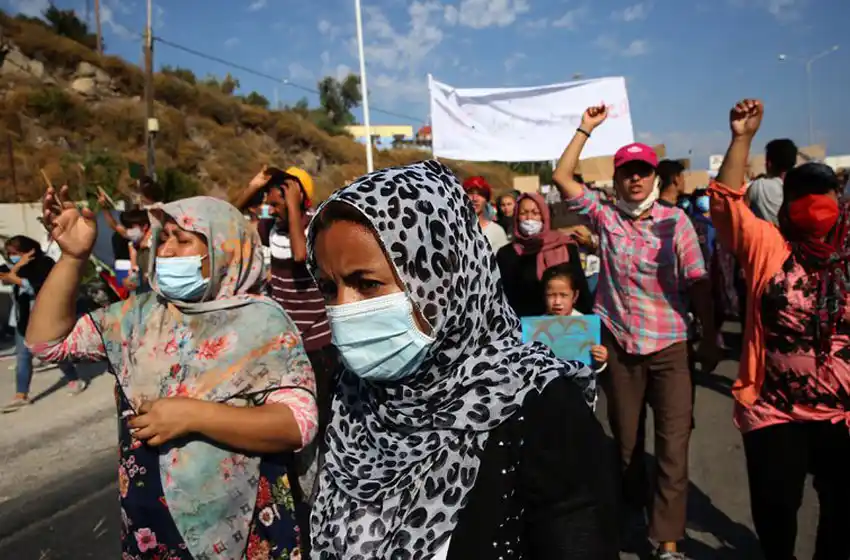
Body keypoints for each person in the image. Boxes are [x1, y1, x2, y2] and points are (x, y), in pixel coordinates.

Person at [308, 161, 618, 559]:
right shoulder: (350, 394)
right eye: (328, 288)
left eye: (367, 284)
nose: (343, 310)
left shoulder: (537, 406)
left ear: (443, 277)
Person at [26, 189, 317, 559]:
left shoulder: (262, 322)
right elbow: (48, 343)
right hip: (152, 524)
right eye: (163, 239)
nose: (164, 251)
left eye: (183, 241)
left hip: (244, 527)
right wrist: (72, 257)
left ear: (224, 248)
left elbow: (297, 424)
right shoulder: (139, 315)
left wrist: (195, 416)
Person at [553, 105, 718, 560]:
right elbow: (563, 176)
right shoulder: (605, 218)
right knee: (625, 444)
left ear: (653, 177)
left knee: (672, 445)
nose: (635, 180)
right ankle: (630, 516)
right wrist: (585, 129)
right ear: (619, 177)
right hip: (621, 347)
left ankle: (668, 539)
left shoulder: (676, 222)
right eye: (627, 172)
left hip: (670, 346)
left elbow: (698, 281)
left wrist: (708, 337)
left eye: (643, 171)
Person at [710, 98, 850, 560]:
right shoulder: (769, 246)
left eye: (824, 194)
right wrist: (742, 138)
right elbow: (727, 204)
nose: (815, 206)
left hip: (843, 416)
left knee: (842, 520)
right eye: (803, 196)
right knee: (776, 519)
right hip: (776, 412)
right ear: (786, 205)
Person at [1, 236, 85, 412]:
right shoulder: (15, 266)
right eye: (10, 254)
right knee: (23, 356)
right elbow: (4, 277)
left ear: (29, 250)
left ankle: (73, 378)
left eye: (16, 253)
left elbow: (37, 287)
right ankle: (21, 394)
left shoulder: (45, 263)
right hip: (22, 318)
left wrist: (15, 277)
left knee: (51, 352)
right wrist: (17, 267)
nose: (13, 257)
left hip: (45, 317)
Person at [497, 192, 591, 317]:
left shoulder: (565, 246)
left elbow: (580, 289)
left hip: (566, 327)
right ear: (516, 217)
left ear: (544, 216)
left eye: (535, 213)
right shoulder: (506, 254)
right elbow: (503, 297)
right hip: (524, 327)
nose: (529, 218)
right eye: (524, 213)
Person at [542, 263, 608, 404]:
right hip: (548, 397)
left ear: (575, 296)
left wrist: (600, 360)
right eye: (551, 295)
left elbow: (594, 368)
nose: (557, 302)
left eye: (564, 295)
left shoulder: (585, 326)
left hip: (581, 395)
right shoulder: (537, 328)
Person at [746, 138, 798, 225]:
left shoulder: (758, 186)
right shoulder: (804, 185)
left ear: (769, 164)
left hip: (768, 237)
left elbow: (739, 215)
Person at [462, 176, 509, 252]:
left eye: (480, 194)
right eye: (470, 193)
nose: (475, 198)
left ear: (486, 200)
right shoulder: (457, 229)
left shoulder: (496, 231)